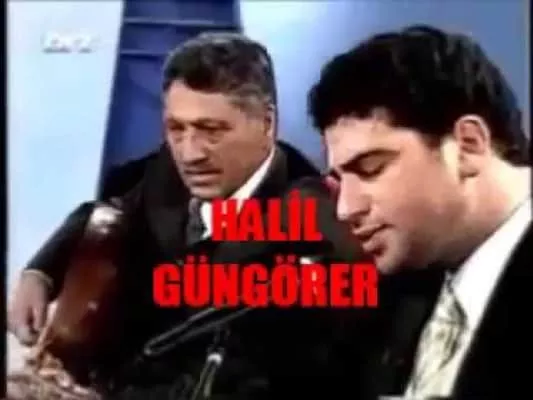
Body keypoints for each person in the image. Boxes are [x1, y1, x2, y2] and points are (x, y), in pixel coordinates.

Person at [8, 32, 366, 399]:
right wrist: (40, 273)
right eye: (176, 129)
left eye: (212, 131)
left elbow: (251, 381)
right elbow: (105, 212)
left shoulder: (317, 227)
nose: (189, 154)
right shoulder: (166, 171)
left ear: (267, 123)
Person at [307, 25, 531, 399]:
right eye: (339, 181)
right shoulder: (398, 290)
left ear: (468, 146)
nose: (345, 209)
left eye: (371, 169)